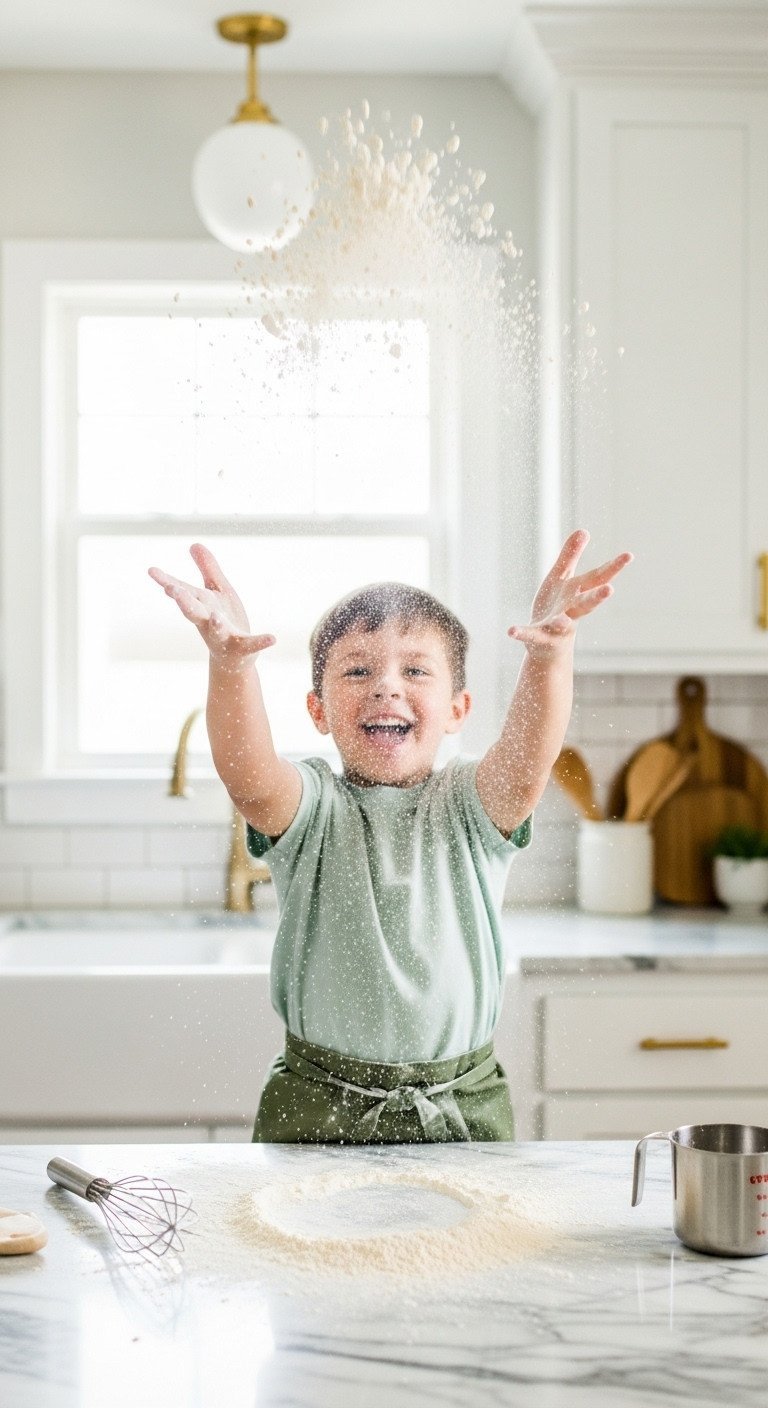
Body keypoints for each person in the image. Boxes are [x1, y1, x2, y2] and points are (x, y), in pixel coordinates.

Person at [149, 529, 631, 1144]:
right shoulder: (313, 807)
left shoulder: (470, 805)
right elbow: (248, 778)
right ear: (318, 710)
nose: (386, 686)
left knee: (476, 1244)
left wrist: (548, 659)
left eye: (415, 670)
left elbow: (528, 758)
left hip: (460, 1102)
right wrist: (232, 664)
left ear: (458, 709)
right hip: (318, 1100)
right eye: (357, 670)